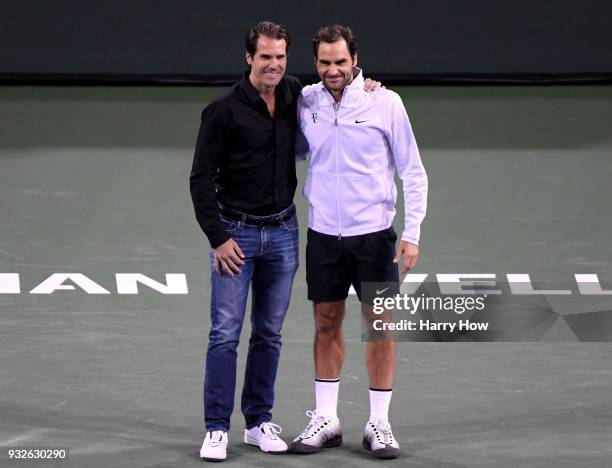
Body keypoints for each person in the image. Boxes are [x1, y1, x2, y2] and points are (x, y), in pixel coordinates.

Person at [190, 21, 380, 462]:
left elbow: (340, 87)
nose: (274, 65)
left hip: (282, 232)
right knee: (224, 334)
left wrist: (366, 83)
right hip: (234, 235)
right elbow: (200, 179)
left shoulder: (297, 93)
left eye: (280, 57)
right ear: (249, 58)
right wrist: (218, 238)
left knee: (269, 333)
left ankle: (257, 422)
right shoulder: (222, 111)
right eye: (265, 57)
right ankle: (217, 428)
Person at [290, 25, 428, 460]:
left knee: (379, 326)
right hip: (324, 235)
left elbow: (413, 170)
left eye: (341, 62)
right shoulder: (305, 102)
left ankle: (379, 422)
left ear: (355, 60)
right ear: (316, 64)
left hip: (375, 237)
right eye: (325, 63)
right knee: (325, 322)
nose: (333, 70)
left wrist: (411, 233)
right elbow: (289, 150)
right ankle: (327, 419)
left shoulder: (384, 102)